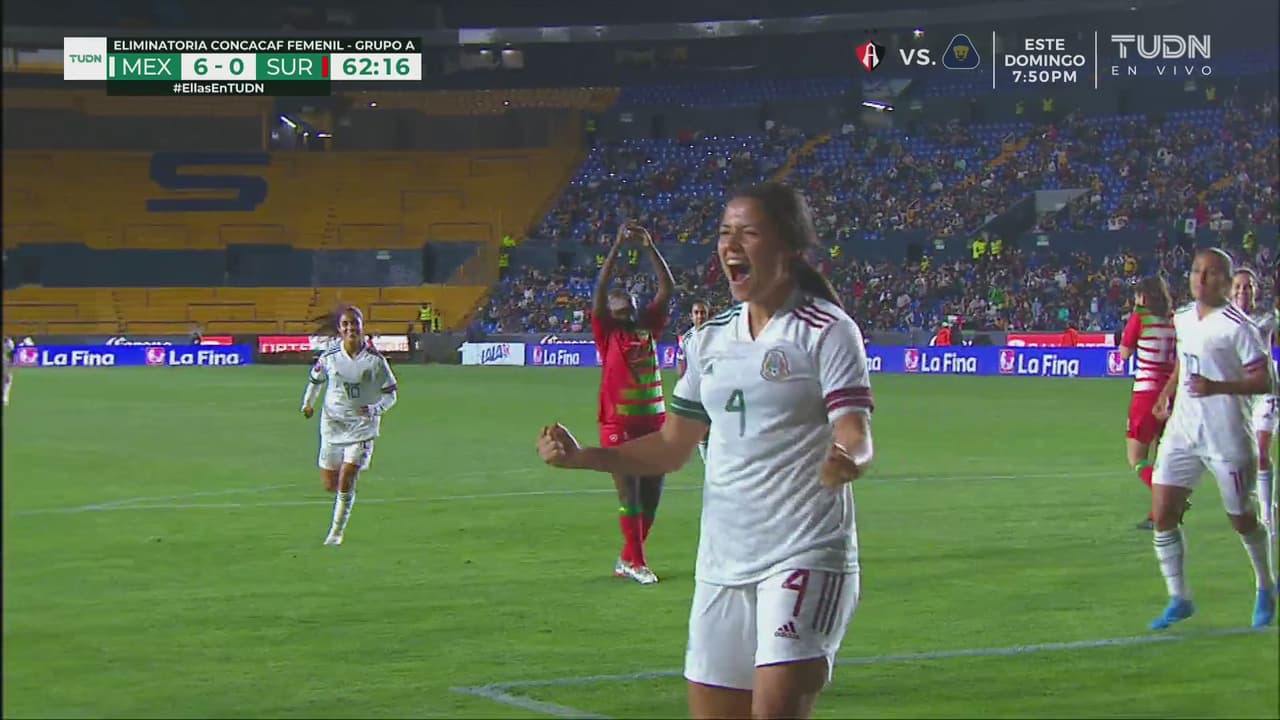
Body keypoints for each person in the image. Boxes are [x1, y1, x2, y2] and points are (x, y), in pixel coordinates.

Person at [538, 182, 873, 719]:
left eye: (748, 232)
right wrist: (583, 457)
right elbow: (672, 447)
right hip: (722, 564)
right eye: (724, 233)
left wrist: (848, 459)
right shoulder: (708, 341)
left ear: (788, 246)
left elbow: (855, 432)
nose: (730, 245)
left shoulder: (827, 331)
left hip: (805, 553)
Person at [1148, 249, 1276, 631]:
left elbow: (1265, 380)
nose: (1201, 279)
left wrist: (1217, 386)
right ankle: (1179, 598)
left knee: (1242, 518)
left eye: (1211, 272)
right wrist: (1167, 392)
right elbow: (1185, 359)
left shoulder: (1239, 327)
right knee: (1163, 513)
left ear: (1226, 281)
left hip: (1227, 435)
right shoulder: (1183, 317)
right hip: (1183, 431)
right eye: (1196, 271)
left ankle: (1266, 584)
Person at [590, 222, 676, 585]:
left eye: (630, 307)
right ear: (610, 313)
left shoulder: (648, 328)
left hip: (654, 425)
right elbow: (600, 291)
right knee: (631, 494)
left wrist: (649, 247)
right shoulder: (607, 333)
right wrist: (615, 246)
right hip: (618, 426)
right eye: (619, 308)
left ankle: (628, 558)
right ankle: (638, 563)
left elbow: (667, 288)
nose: (626, 311)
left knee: (651, 499)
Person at [301, 306, 398, 546]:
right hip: (333, 424)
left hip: (362, 427)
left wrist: (375, 409)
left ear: (362, 327)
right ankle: (347, 495)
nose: (350, 328)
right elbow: (315, 380)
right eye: (345, 324)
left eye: (354, 323)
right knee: (330, 484)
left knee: (347, 477)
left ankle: (336, 532)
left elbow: (391, 394)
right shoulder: (330, 356)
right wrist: (308, 404)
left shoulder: (375, 361)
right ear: (339, 329)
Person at [1118, 276, 1177, 530]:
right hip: (1172, 394)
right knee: (1162, 457)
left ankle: (1170, 500)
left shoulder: (1140, 317)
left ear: (1143, 296)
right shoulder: (1174, 319)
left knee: (1137, 458)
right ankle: (1157, 516)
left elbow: (1124, 353)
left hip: (1146, 394)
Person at [1231, 268, 1278, 582]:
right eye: (1239, 287)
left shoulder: (1267, 319)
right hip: (1240, 396)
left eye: (1248, 287)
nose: (1244, 291)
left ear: (1256, 290)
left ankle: (1266, 513)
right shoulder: (1224, 321)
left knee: (1261, 451)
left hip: (1267, 393)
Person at [678, 300, 712, 462]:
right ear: (691, 316)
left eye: (703, 312)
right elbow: (681, 361)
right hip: (697, 391)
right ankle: (708, 464)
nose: (700, 316)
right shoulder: (687, 338)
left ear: (708, 314)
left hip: (715, 388)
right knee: (703, 430)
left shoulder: (718, 335)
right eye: (696, 313)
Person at [3, 336, 14, 407]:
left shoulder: (9, 342)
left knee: (8, 379)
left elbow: (11, 354)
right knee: (7, 379)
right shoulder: (9, 342)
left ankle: (5, 397)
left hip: (5, 360)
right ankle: (5, 397)